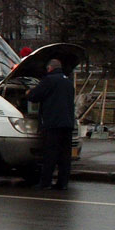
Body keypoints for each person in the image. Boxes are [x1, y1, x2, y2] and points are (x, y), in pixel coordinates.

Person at [26, 58, 75, 190]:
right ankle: (62, 183)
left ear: (50, 68)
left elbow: (34, 96)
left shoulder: (49, 80)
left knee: (50, 155)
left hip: (53, 123)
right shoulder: (68, 81)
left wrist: (29, 92)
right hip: (68, 123)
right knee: (65, 156)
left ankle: (45, 182)